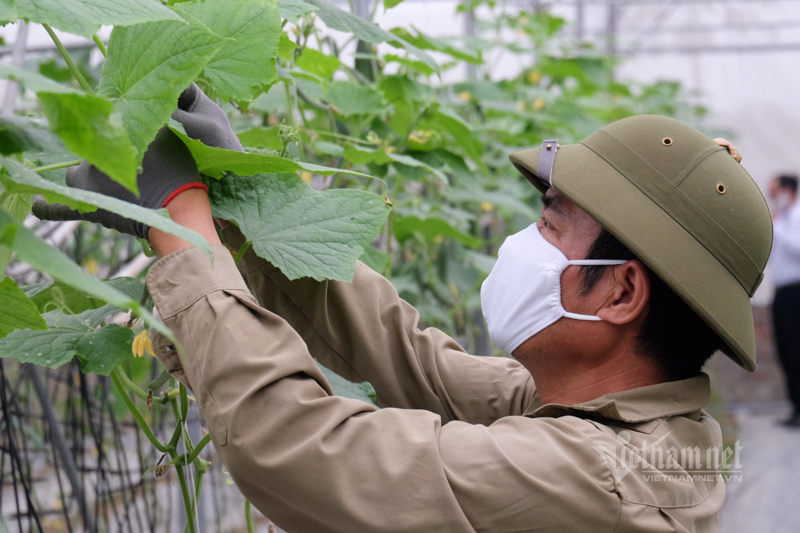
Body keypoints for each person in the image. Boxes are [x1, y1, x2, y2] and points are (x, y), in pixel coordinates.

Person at [34, 85, 773, 532]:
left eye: (551, 221)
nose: (526, 239)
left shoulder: (598, 481)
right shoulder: (636, 420)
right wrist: (250, 220)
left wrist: (179, 224)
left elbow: (296, 446)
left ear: (620, 291)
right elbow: (421, 363)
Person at [768, 174, 800, 427]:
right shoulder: (782, 220)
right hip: (781, 294)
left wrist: (777, 227)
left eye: (775, 191)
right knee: (786, 351)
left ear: (788, 191)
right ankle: (795, 409)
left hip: (796, 293)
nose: (772, 197)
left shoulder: (796, 217)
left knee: (796, 351)